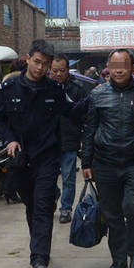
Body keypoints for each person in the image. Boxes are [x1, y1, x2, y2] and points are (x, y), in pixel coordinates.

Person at [0, 40, 87, 268]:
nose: (41, 68)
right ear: (28, 59)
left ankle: (40, 259)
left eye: (46, 64)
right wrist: (10, 139)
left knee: (43, 205)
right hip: (20, 159)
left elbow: (72, 111)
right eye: (37, 62)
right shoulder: (9, 88)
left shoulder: (54, 89)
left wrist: (95, 99)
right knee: (32, 206)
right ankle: (39, 248)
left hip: (47, 157)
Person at [82, 49, 134, 268]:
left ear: (132, 67)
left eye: (124, 66)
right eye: (114, 66)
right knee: (112, 213)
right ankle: (118, 257)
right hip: (105, 163)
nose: (119, 71)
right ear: (108, 67)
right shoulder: (97, 95)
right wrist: (86, 162)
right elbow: (90, 130)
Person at [49, 56, 90, 224]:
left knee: (68, 178)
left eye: (62, 70)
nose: (58, 74)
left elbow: (86, 116)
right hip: (48, 142)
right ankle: (54, 194)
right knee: (48, 177)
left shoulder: (77, 90)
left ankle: (66, 208)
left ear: (68, 70)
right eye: (55, 71)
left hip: (69, 141)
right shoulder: (44, 88)